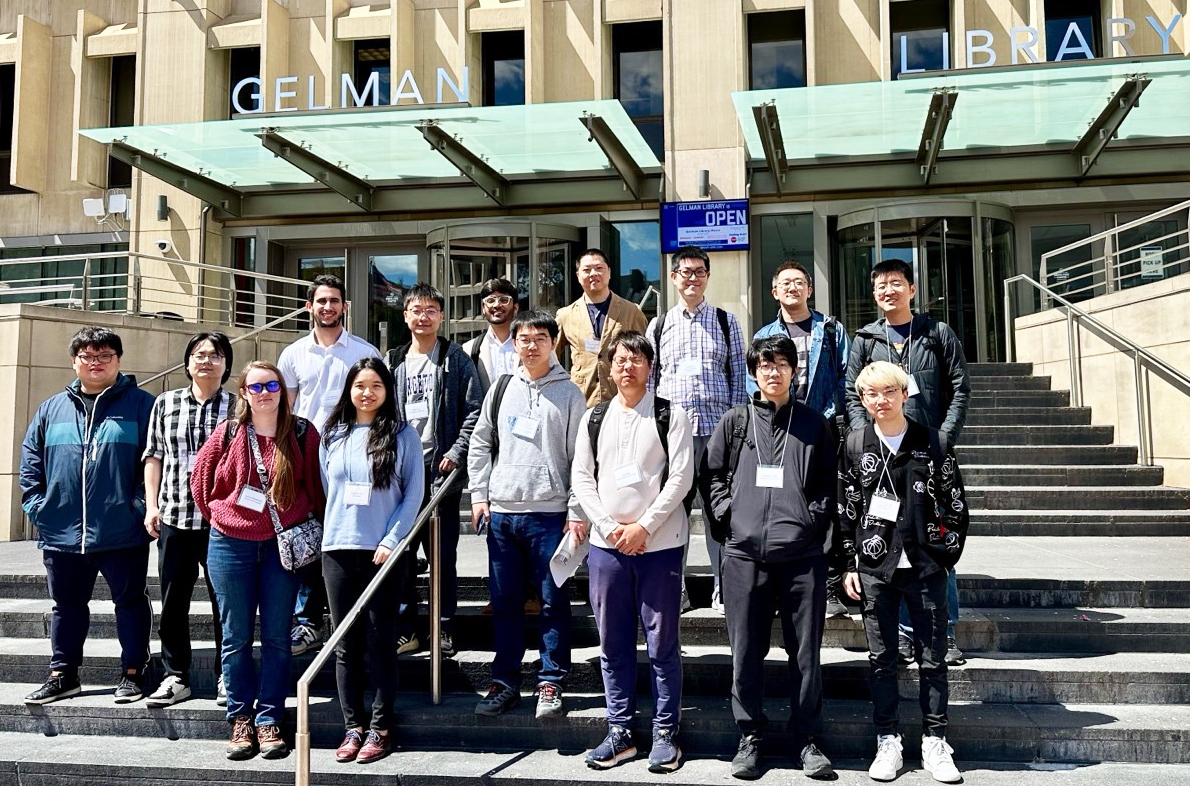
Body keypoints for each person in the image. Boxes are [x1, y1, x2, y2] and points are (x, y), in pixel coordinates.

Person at [701, 336, 836, 781]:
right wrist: (729, 518)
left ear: (794, 371)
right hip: (744, 557)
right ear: (753, 373)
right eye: (764, 365)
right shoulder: (735, 421)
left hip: (801, 559)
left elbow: (826, 488)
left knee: (806, 656)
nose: (773, 372)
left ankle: (808, 739)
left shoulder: (815, 424)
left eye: (781, 364)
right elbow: (712, 475)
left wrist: (809, 526)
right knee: (745, 652)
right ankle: (750, 737)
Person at [838, 361, 969, 784]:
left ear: (904, 393)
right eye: (872, 394)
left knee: (933, 658)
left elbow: (956, 504)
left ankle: (935, 740)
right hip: (876, 568)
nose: (881, 400)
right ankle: (887, 739)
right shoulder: (855, 445)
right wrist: (847, 566)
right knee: (882, 658)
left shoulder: (932, 441)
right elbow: (844, 511)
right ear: (863, 400)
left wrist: (945, 557)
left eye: (889, 392)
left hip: (926, 567)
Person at [572, 331, 694, 773]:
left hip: (660, 546)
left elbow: (681, 478)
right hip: (607, 549)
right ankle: (619, 731)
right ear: (608, 366)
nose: (627, 367)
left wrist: (644, 526)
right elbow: (582, 478)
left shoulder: (670, 414)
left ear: (650, 367)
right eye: (620, 360)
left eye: (637, 360)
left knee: (663, 643)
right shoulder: (595, 417)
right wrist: (609, 527)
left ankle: (666, 733)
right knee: (614, 643)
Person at [191, 361, 325, 761]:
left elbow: (316, 491)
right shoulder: (228, 432)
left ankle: (269, 718)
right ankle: (240, 719)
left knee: (277, 638)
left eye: (271, 385)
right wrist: (222, 516)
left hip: (280, 549)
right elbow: (200, 483)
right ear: (244, 394)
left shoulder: (302, 433)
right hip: (230, 545)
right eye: (255, 387)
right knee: (235, 637)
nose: (264, 392)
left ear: (283, 390)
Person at [844, 259, 971, 666]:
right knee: (887, 538)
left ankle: (944, 631)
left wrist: (944, 438)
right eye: (881, 285)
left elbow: (959, 388)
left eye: (896, 284)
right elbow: (852, 394)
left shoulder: (937, 334)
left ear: (912, 289)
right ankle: (897, 632)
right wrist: (868, 441)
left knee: (935, 539)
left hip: (926, 454)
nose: (888, 291)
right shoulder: (865, 339)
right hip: (881, 457)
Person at [20, 327, 156, 706]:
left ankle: (133, 672)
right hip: (61, 531)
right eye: (87, 356)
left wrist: (139, 508)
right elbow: (31, 463)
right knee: (66, 605)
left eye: (105, 355)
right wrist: (37, 507)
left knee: (129, 601)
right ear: (74, 361)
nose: (96, 362)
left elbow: (154, 462)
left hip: (121, 530)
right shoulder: (51, 408)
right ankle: (63, 674)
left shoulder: (142, 405)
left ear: (118, 360)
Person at [467, 310, 587, 719]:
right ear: (514, 344)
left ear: (554, 343)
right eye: (523, 339)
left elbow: (580, 460)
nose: (531, 345)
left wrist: (575, 509)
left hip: (550, 514)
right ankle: (505, 681)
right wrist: (479, 496)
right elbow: (480, 442)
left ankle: (551, 681)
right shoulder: (501, 388)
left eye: (539, 338)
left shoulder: (570, 393)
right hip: (502, 513)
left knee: (553, 601)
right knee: (505, 602)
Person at [320, 358, 424, 764]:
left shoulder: (403, 435)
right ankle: (353, 726)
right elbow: (329, 489)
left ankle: (380, 728)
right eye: (360, 385)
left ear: (387, 391)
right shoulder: (334, 434)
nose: (367, 392)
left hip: (383, 551)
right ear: (349, 390)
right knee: (345, 645)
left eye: (376, 385)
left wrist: (392, 539)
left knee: (381, 642)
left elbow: (412, 495)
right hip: (338, 549)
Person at [277, 274, 380, 656]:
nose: (328, 307)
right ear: (310, 307)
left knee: (344, 535)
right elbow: (286, 409)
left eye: (334, 301)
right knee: (306, 534)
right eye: (321, 301)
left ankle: (350, 616)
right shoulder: (293, 354)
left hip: (350, 456)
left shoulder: (363, 352)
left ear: (345, 307)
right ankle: (307, 621)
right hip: (303, 456)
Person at [647, 245, 747, 614]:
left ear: (707, 276)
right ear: (673, 278)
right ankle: (678, 589)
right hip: (674, 436)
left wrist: (736, 428)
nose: (692, 278)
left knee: (718, 512)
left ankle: (724, 588)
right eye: (685, 272)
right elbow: (651, 381)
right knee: (673, 514)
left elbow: (739, 376)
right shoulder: (658, 325)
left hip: (717, 433)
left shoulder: (726, 320)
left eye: (699, 272)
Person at [750, 260, 850, 618]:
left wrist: (834, 419)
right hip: (781, 430)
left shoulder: (832, 329)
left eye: (799, 282)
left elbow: (845, 377)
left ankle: (832, 584)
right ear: (774, 291)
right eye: (785, 283)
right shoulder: (764, 334)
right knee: (783, 501)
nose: (792, 288)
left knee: (827, 502)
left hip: (822, 428)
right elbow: (754, 384)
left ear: (809, 289)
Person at [385, 283, 481, 658]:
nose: (423, 316)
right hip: (402, 475)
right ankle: (406, 627)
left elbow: (475, 410)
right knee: (403, 555)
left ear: (441, 317)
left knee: (442, 556)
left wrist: (457, 451)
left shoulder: (455, 358)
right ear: (405, 315)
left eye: (430, 310)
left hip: (441, 475)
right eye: (416, 310)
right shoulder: (393, 360)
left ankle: (442, 627)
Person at [143, 332, 236, 708]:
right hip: (175, 518)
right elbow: (154, 457)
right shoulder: (166, 403)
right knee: (173, 601)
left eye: (216, 355)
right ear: (187, 363)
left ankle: (226, 676)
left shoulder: (237, 405)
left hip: (222, 523)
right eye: (199, 355)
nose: (207, 361)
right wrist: (152, 506)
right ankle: (175, 676)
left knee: (225, 603)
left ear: (226, 365)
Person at [555, 248, 648, 406]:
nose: (593, 274)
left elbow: (646, 355)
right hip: (581, 400)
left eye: (599, 268)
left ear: (609, 272)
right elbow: (550, 356)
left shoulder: (631, 311)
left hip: (622, 398)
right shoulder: (565, 315)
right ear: (578, 276)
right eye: (587, 270)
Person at [461, 278, 520, 390]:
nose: (497, 305)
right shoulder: (469, 349)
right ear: (483, 309)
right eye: (490, 300)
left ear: (515, 307)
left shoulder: (532, 344)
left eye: (504, 300)